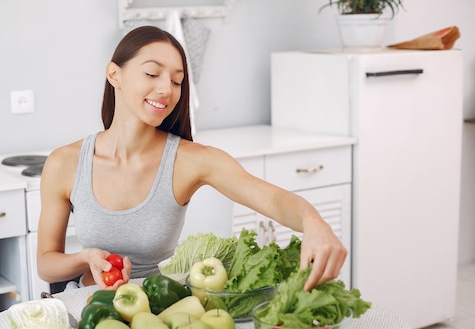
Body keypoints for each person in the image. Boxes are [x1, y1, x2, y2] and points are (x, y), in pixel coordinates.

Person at [37, 25, 347, 292]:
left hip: (159, 312)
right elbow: (46, 265)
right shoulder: (65, 163)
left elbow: (272, 199)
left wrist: (313, 222)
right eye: (151, 73)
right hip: (88, 309)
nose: (165, 89)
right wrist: (85, 257)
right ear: (114, 74)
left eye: (176, 80)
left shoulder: (191, 161)